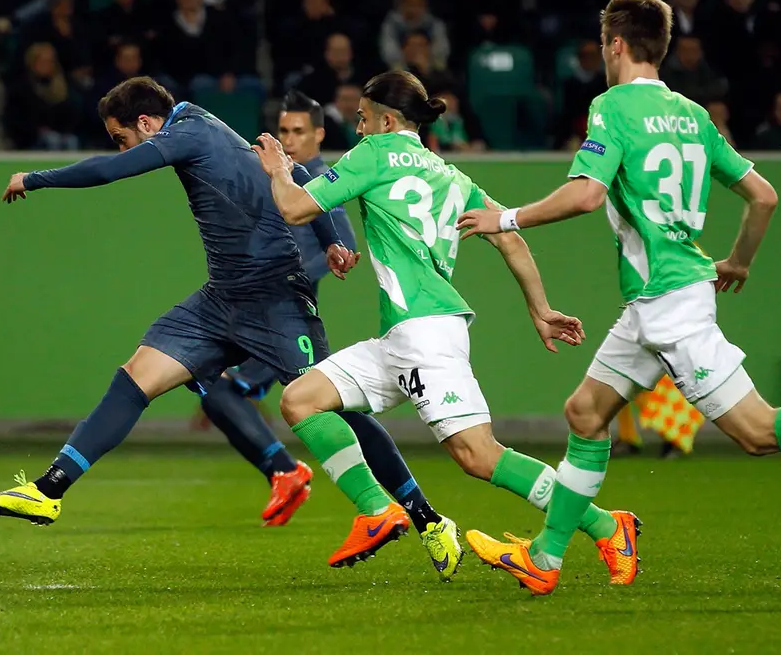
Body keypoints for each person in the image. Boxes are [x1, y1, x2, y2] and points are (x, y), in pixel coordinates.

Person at [0, 77, 463, 575]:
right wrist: (333, 239)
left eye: (122, 135)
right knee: (135, 377)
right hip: (220, 300)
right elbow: (294, 178)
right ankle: (46, 490)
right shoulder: (206, 126)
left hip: (276, 297)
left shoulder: (190, 132)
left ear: (146, 123)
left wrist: (34, 178)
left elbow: (114, 170)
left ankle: (426, 519)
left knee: (334, 406)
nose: (121, 146)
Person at [458, 0, 781, 597]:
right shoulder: (692, 113)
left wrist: (507, 218)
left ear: (614, 43)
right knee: (585, 413)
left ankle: (552, 553)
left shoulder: (611, 105)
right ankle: (548, 558)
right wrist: (738, 260)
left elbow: (585, 195)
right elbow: (764, 195)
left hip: (672, 306)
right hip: (656, 302)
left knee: (760, 434)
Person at [254, 70, 636, 591]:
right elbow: (510, 238)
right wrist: (540, 308)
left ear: (387, 121)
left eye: (364, 119)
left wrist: (280, 170)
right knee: (301, 399)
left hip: (425, 336)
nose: (360, 129)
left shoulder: (373, 153)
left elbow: (295, 208)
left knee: (479, 457)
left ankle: (607, 526)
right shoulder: (452, 176)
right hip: (403, 338)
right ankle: (376, 510)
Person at [197, 90, 407, 531]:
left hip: (289, 319)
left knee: (323, 409)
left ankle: (396, 501)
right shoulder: (281, 178)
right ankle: (288, 473)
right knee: (216, 388)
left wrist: (289, 275)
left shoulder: (318, 178)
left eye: (297, 131)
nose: (288, 140)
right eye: (283, 131)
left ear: (318, 134)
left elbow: (343, 244)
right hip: (265, 317)